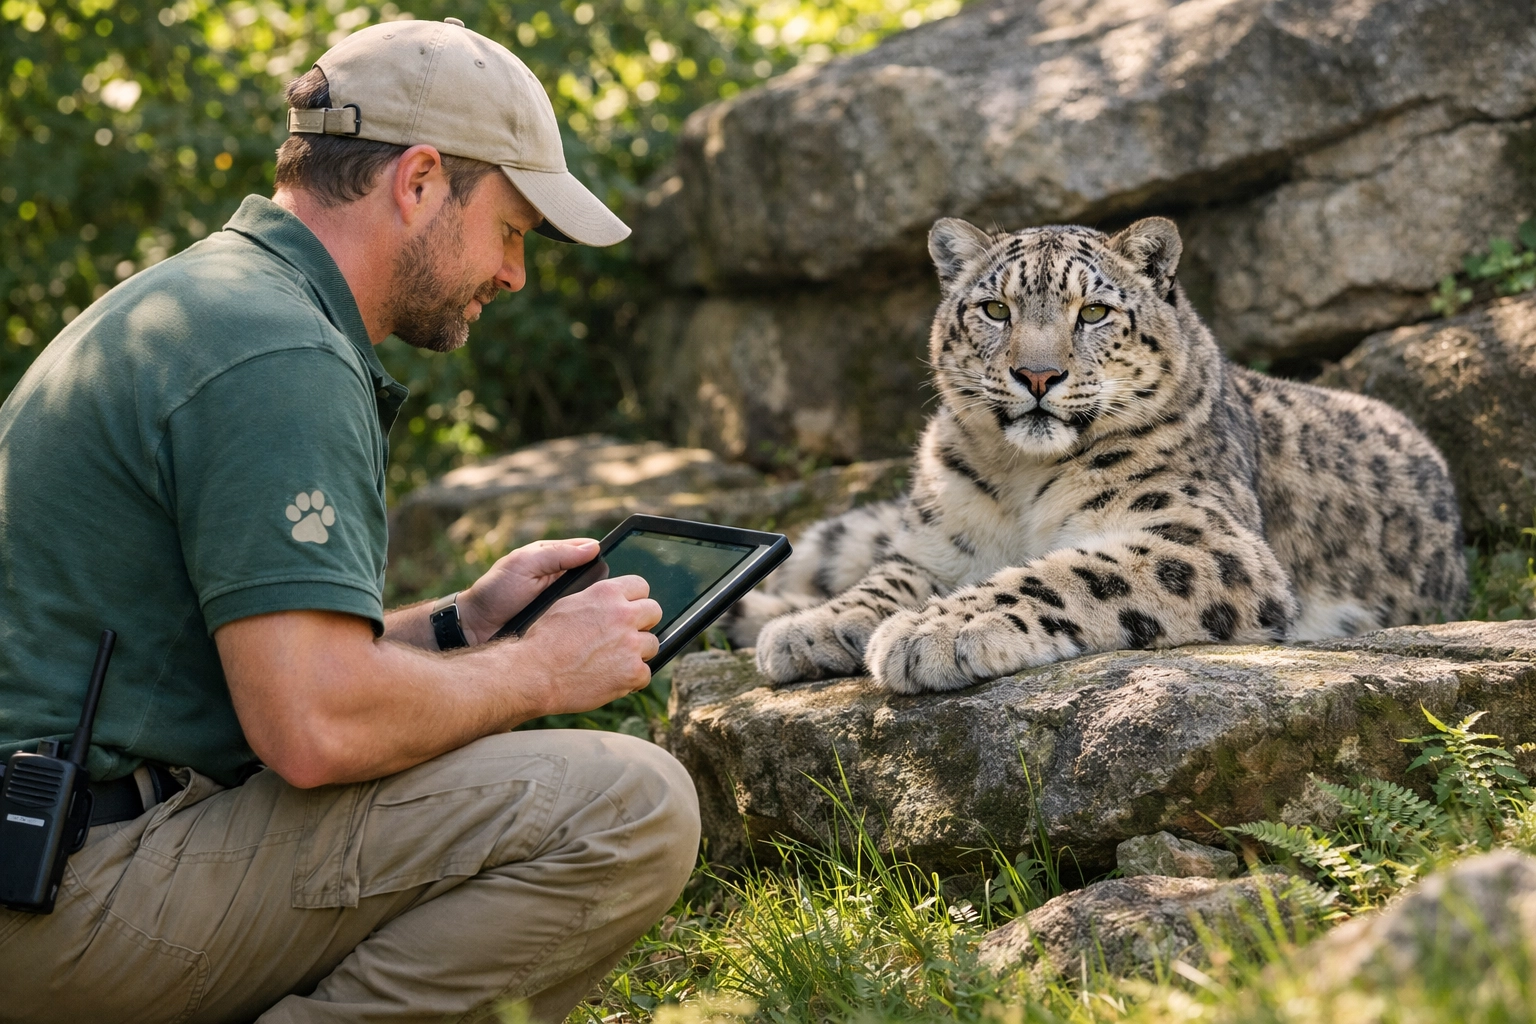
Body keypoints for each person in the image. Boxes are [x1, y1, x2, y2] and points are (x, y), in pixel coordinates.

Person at [0, 19, 699, 1023]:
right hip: (66, 899)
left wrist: (464, 624)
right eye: (511, 230)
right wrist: (539, 672)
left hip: (53, 857)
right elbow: (314, 725)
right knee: (630, 807)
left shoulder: (207, 301)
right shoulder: (278, 352)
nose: (516, 274)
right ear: (417, 182)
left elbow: (255, 666)